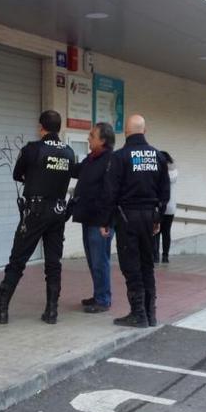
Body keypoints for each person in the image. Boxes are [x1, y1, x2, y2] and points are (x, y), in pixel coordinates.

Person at [0, 110, 76, 325]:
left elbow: (17, 174)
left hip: (35, 211)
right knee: (54, 263)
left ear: (41, 127)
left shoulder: (33, 149)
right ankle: (52, 311)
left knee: (18, 260)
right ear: (59, 128)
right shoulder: (70, 153)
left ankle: (1, 309)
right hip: (58, 213)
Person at [100, 115, 170, 328]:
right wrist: (158, 217)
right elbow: (164, 191)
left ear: (126, 133)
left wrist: (106, 221)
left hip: (126, 218)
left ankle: (138, 314)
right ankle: (150, 314)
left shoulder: (120, 157)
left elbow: (110, 192)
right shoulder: (158, 156)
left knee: (131, 266)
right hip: (149, 217)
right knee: (147, 264)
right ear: (145, 131)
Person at [71, 122, 116, 313]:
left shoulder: (110, 161)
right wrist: (58, 160)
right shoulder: (92, 158)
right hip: (88, 217)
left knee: (100, 260)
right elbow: (77, 171)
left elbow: (110, 194)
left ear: (103, 140)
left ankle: (103, 299)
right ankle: (98, 294)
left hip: (100, 221)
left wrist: (106, 221)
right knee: (92, 260)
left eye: (92, 135)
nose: (88, 138)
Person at [153, 151, 178, 263]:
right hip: (171, 206)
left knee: (156, 230)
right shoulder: (175, 172)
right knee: (166, 232)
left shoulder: (159, 171)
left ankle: (155, 256)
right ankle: (165, 256)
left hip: (160, 205)